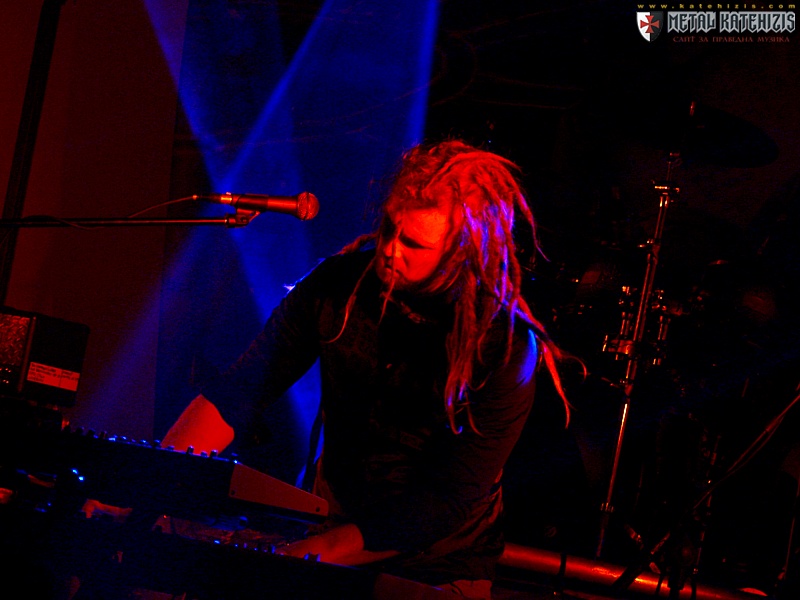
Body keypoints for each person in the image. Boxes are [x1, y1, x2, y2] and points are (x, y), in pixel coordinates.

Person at [161, 139, 571, 599]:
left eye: (413, 243)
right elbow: (238, 393)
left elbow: (445, 501)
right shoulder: (337, 287)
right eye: (390, 228)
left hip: (435, 569)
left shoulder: (503, 347)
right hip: (331, 534)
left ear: (461, 251)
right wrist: (149, 484)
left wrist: (303, 555)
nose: (390, 250)